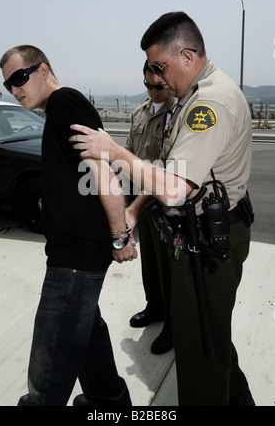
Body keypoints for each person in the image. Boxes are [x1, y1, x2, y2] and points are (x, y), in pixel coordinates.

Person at [69, 11, 256, 406]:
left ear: (187, 56)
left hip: (209, 242)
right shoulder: (188, 98)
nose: (155, 76)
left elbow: (173, 188)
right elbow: (167, 172)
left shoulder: (210, 102)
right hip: (197, 236)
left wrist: (114, 151)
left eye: (160, 66)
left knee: (198, 346)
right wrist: (135, 209)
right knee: (212, 337)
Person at [0, 45, 137, 407]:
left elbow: (103, 173)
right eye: (7, 84)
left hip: (74, 260)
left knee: (49, 368)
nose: (14, 90)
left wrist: (120, 234)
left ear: (43, 70)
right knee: (86, 336)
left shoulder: (65, 104)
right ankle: (109, 404)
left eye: (19, 78)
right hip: (75, 254)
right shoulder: (58, 110)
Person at [126, 60, 176, 354]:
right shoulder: (139, 113)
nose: (153, 91)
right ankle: (154, 307)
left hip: (165, 203)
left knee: (169, 267)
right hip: (140, 200)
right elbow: (129, 153)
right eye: (148, 85)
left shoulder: (177, 114)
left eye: (158, 86)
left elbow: (172, 168)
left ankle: (172, 323)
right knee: (150, 263)